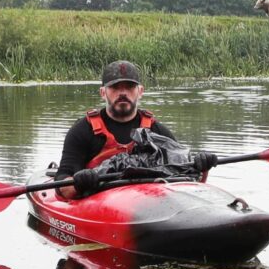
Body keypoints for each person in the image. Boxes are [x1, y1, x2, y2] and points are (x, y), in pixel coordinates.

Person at [54, 59, 216, 195]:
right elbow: (62, 185)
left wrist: (202, 167)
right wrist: (78, 183)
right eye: (115, 87)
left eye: (129, 87)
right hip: (100, 203)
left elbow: (185, 183)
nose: (123, 93)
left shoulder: (157, 132)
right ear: (103, 92)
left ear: (140, 91)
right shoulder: (82, 131)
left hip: (148, 204)